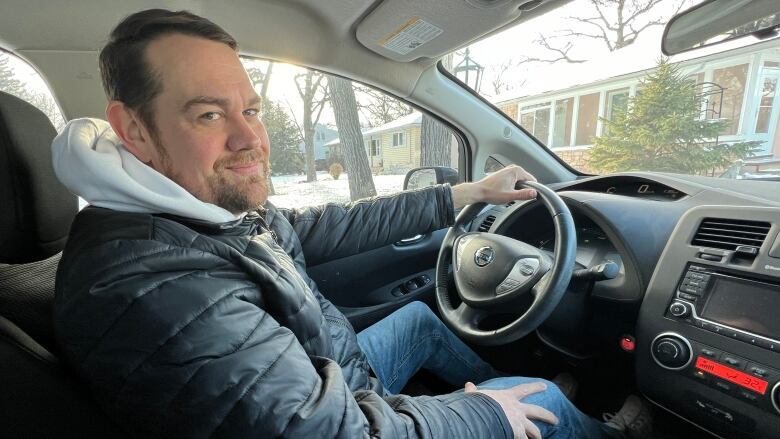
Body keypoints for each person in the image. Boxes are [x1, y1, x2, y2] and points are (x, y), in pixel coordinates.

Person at [51, 9, 649, 439]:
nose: (250, 138)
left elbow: (321, 228)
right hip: (341, 408)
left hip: (333, 373)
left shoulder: (191, 213)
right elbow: (328, 430)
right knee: (534, 400)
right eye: (209, 113)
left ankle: (535, 402)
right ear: (133, 130)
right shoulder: (153, 282)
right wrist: (485, 415)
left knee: (417, 319)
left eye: (251, 109)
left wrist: (467, 193)